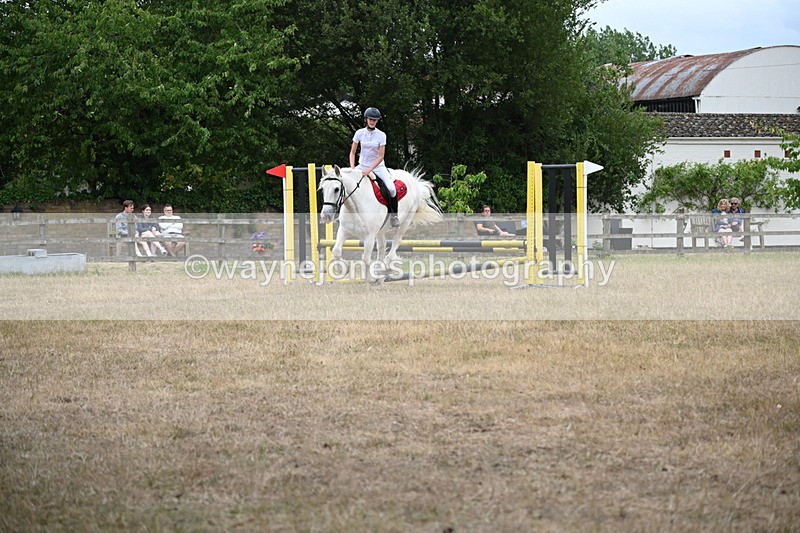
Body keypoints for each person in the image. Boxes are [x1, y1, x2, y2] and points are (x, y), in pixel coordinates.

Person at [349, 107, 399, 227]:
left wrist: (369, 170)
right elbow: (352, 152)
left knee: (391, 189)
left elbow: (381, 156)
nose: (372, 122)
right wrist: (352, 168)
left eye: (375, 120)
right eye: (370, 119)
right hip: (361, 165)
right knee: (347, 184)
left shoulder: (381, 135)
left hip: (378, 166)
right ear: (366, 119)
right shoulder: (359, 133)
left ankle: (394, 215)